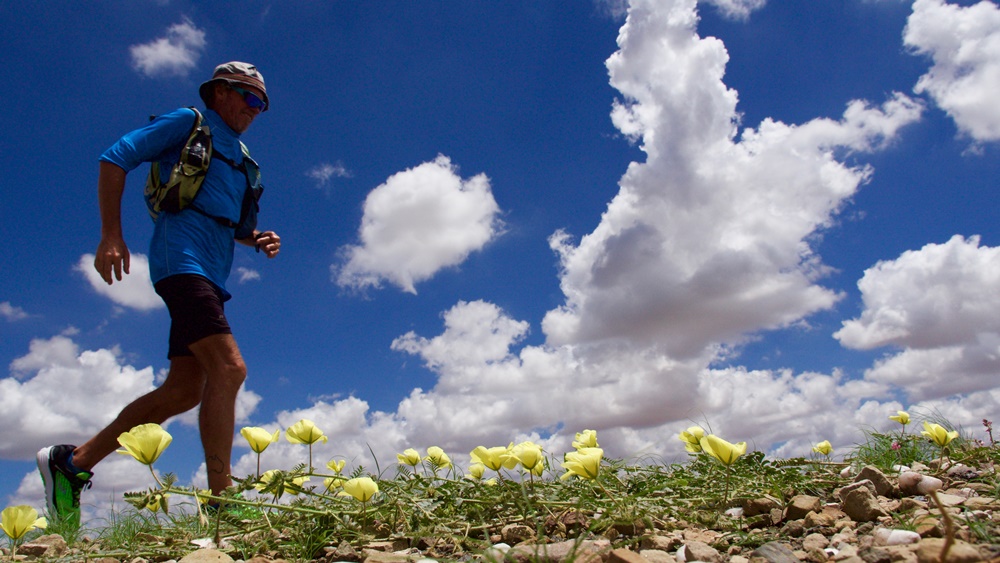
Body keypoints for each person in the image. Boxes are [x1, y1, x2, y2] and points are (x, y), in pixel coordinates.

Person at [37, 62, 281, 524]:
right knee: (229, 369)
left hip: (213, 274)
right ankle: (223, 501)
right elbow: (116, 156)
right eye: (249, 97)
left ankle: (72, 463)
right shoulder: (189, 121)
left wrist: (257, 238)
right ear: (220, 92)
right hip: (181, 262)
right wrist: (111, 235)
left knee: (184, 391)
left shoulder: (244, 158)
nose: (256, 109)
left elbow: (233, 223)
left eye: (262, 104)